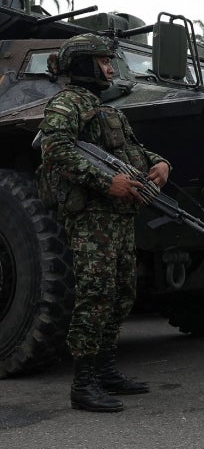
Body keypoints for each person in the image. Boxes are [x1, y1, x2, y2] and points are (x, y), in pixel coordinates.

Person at [37, 33, 171, 412]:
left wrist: (160, 163)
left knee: (122, 291)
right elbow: (56, 150)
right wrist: (106, 182)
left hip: (118, 217)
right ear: (83, 65)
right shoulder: (66, 104)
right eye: (103, 61)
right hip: (92, 217)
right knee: (95, 293)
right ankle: (84, 383)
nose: (111, 67)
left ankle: (107, 370)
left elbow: (130, 152)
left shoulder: (105, 108)